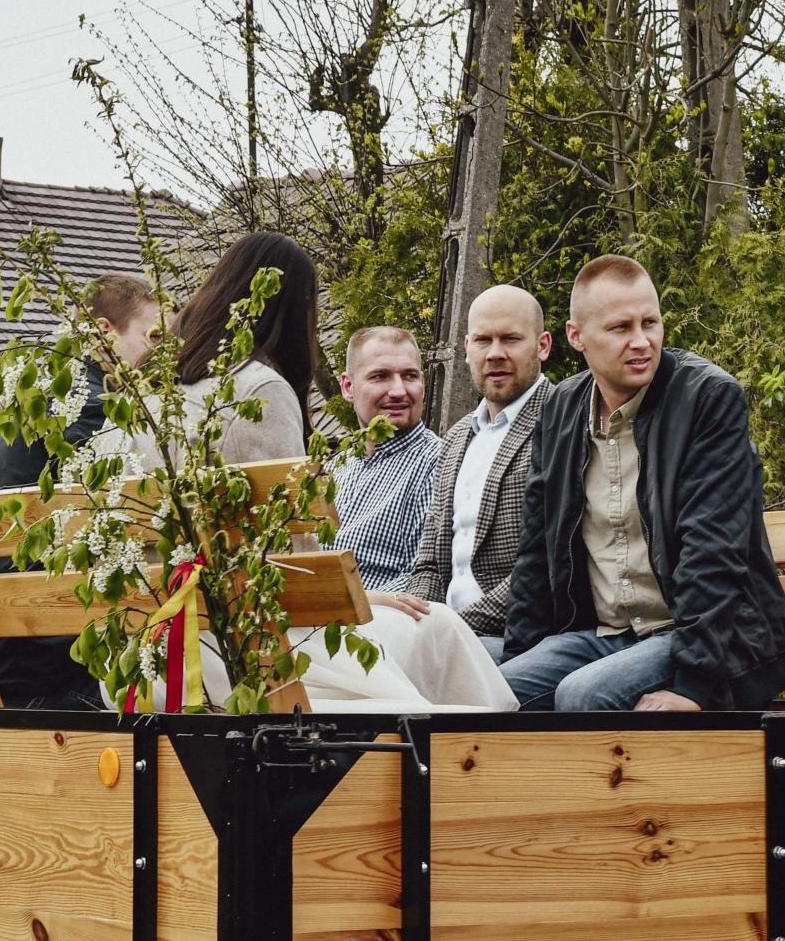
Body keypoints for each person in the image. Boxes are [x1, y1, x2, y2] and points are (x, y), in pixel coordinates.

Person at [98, 233, 515, 712]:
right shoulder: (259, 389)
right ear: (296, 312)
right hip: (250, 650)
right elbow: (292, 568)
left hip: (146, 651)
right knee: (438, 626)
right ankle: (490, 757)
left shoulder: (142, 394)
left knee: (427, 622)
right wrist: (363, 598)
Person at [501, 254, 785, 711]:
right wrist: (523, 662)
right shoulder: (560, 410)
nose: (642, 342)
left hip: (700, 640)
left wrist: (693, 686)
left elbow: (714, 550)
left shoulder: (707, 398)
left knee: (582, 696)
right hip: (604, 635)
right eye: (621, 328)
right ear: (576, 336)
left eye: (650, 323)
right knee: (495, 694)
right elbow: (536, 555)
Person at [0, 272, 162, 708]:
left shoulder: (38, 401)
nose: (160, 355)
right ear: (103, 334)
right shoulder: (97, 411)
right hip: (53, 670)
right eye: (153, 337)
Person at [403, 286, 554, 661]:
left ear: (543, 345)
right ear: (468, 347)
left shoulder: (561, 423)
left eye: (511, 339)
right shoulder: (456, 437)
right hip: (447, 635)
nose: (495, 353)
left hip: (518, 638)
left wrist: (452, 631)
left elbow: (544, 567)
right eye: (484, 340)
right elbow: (430, 562)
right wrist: (418, 621)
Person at [0, 272, 161, 495]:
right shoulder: (88, 408)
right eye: (155, 336)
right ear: (102, 334)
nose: (168, 352)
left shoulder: (62, 391)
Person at [331, 326, 445, 591]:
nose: (398, 391)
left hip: (388, 624)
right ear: (348, 387)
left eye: (409, 376)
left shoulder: (437, 463)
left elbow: (425, 578)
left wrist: (355, 605)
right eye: (380, 376)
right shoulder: (332, 470)